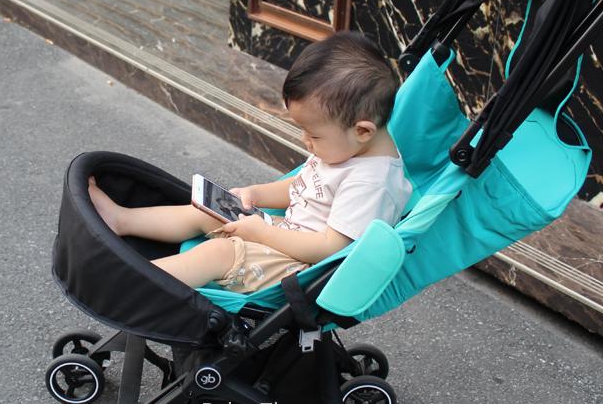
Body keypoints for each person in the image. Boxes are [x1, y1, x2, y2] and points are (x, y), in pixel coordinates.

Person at [88, 31, 412, 293]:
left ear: (363, 131)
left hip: (303, 269)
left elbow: (330, 249)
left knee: (219, 253)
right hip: (288, 235)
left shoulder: (371, 184)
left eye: (313, 134)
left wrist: (262, 234)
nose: (305, 141)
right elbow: (303, 187)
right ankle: (122, 219)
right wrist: (257, 194)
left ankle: (130, 283)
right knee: (209, 211)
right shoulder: (346, 147)